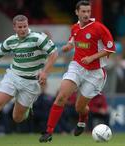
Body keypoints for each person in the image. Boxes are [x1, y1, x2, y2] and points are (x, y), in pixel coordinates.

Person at [39, 1, 115, 142]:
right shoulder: (74, 27)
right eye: (83, 11)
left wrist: (92, 57)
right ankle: (48, 132)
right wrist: (68, 46)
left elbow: (110, 48)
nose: (86, 14)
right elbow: (73, 39)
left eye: (88, 11)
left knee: (79, 107)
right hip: (77, 67)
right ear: (77, 12)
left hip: (95, 73)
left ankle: (82, 119)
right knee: (61, 96)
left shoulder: (99, 28)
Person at [0, 15, 58, 144]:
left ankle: (27, 108)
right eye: (20, 27)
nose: (23, 29)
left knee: (17, 118)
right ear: (14, 28)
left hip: (32, 82)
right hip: (13, 76)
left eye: (25, 26)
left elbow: (54, 53)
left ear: (28, 25)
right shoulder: (10, 41)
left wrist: (45, 72)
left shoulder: (38, 38)